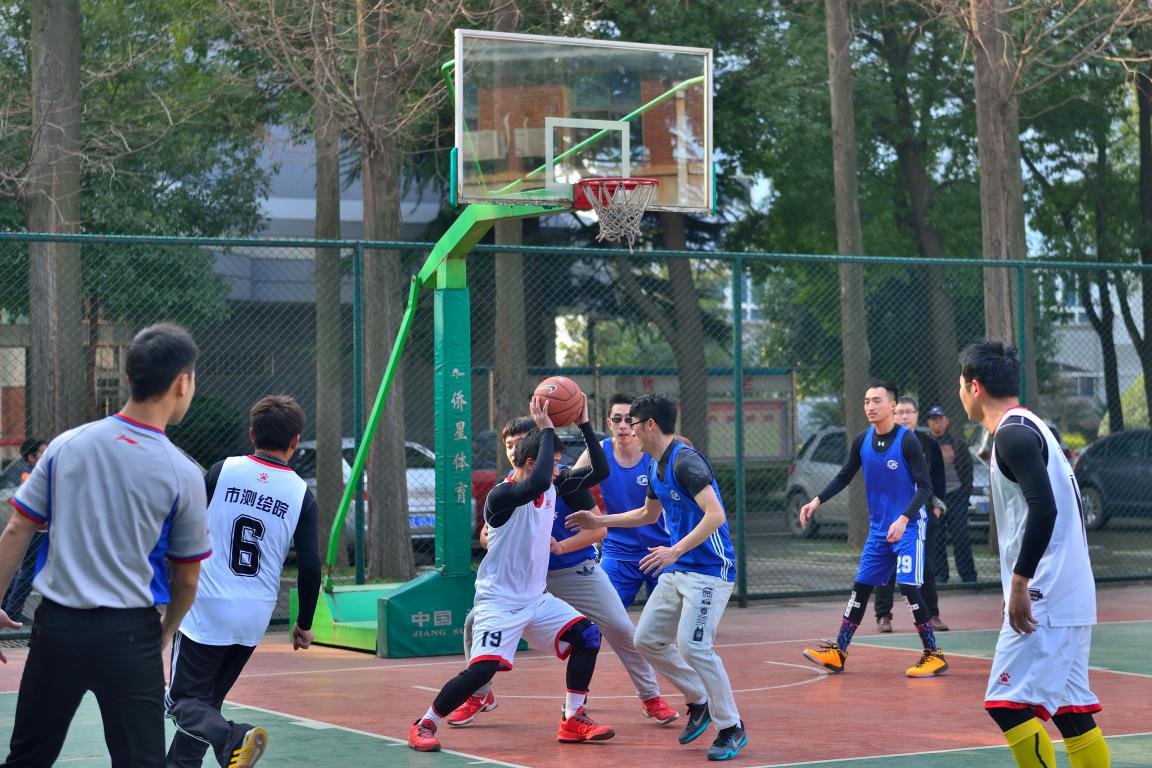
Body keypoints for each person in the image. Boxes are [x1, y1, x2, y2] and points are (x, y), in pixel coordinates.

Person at [0, 323, 209, 767]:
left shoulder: (67, 446)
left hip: (57, 629)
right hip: (130, 635)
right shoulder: (183, 472)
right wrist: (166, 630)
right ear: (182, 383)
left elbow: (18, 529)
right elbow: (187, 578)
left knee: (27, 757)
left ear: (130, 378)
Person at [408, 396, 613, 752]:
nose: (557, 472)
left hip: (536, 600)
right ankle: (424, 724)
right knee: (482, 671)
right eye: (553, 465)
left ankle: (573, 718)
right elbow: (537, 482)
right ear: (532, 463)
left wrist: (583, 423)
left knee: (588, 637)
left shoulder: (551, 484)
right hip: (499, 603)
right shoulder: (502, 495)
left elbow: (600, 472)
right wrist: (546, 429)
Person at [447, 416, 678, 728]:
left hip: (574, 570)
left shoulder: (562, 479)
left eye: (521, 442)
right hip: (527, 582)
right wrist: (489, 538)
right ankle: (480, 695)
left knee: (621, 628)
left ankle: (650, 696)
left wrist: (560, 547)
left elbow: (598, 531)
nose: (514, 450)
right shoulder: (507, 488)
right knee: (474, 623)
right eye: (509, 445)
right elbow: (488, 535)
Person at [566, 393, 747, 762]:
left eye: (632, 423)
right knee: (646, 639)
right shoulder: (655, 466)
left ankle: (731, 726)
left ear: (649, 425)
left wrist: (674, 551)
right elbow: (647, 514)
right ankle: (698, 700)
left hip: (710, 570)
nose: (628, 430)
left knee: (694, 646)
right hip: (678, 567)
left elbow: (715, 515)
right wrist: (599, 520)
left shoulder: (686, 462)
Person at [958, 340, 1110, 768]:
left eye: (960, 384)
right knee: (1071, 713)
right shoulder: (1032, 427)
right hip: (1068, 593)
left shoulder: (1013, 435)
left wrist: (1020, 582)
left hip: (1046, 593)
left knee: (1006, 704)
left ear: (975, 387)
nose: (959, 392)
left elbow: (1045, 508)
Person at [165, 395, 321, 768]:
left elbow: (186, 526)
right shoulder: (301, 494)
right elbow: (310, 565)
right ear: (296, 441)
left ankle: (233, 737)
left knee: (182, 702)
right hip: (254, 615)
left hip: (207, 608)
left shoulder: (222, 471)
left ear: (251, 434)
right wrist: (304, 623)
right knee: (206, 704)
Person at [798, 379, 948, 678]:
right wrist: (816, 500)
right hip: (879, 531)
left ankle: (933, 654)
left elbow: (925, 487)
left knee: (908, 586)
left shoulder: (907, 441)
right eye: (867, 401)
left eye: (877, 401)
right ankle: (839, 652)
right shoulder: (861, 441)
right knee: (861, 588)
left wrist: (903, 518)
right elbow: (843, 476)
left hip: (909, 527)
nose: (870, 406)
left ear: (892, 405)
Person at [576, 393, 669, 608]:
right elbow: (569, 486)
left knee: (663, 621)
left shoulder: (656, 453)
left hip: (661, 550)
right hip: (618, 551)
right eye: (617, 419)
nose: (623, 425)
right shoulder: (598, 452)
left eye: (629, 419)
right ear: (609, 423)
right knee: (601, 613)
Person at [873, 397, 948, 633]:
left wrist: (937, 506)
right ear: (893, 414)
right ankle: (883, 616)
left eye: (909, 412)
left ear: (916, 415)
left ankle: (932, 615)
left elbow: (938, 479)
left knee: (925, 565)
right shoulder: (882, 443)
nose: (904, 416)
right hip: (891, 515)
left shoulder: (929, 444)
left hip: (922, 514)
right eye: (900, 412)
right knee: (887, 565)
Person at [925, 405, 978, 584]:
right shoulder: (924, 444)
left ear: (946, 421)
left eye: (940, 418)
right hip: (934, 498)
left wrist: (965, 493)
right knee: (936, 537)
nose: (937, 422)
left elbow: (968, 469)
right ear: (928, 423)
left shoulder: (958, 443)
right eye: (933, 419)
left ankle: (968, 576)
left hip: (956, 496)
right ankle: (940, 575)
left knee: (960, 535)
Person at [1, 438, 48, 624]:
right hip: (37, 531)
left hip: (41, 530)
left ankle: (8, 605)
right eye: (42, 452)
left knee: (25, 570)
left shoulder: (37, 474)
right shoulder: (32, 477)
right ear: (31, 458)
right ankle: (13, 610)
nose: (47, 455)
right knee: (28, 571)